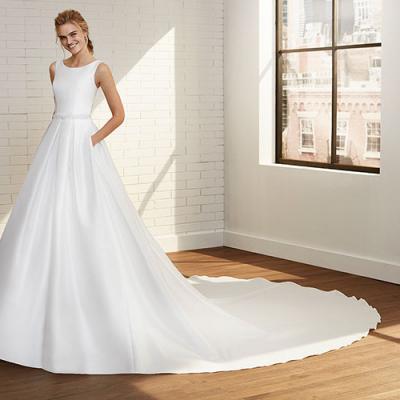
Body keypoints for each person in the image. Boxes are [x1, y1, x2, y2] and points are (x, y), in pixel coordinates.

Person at [0, 9, 381, 375]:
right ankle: (43, 298)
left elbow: (118, 114)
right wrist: (65, 139)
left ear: (85, 31)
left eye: (74, 35)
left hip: (82, 146)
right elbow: (59, 111)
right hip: (54, 147)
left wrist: (89, 140)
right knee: (46, 219)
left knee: (91, 219)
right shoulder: (54, 69)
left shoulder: (100, 70)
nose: (69, 42)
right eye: (63, 38)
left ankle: (95, 294)